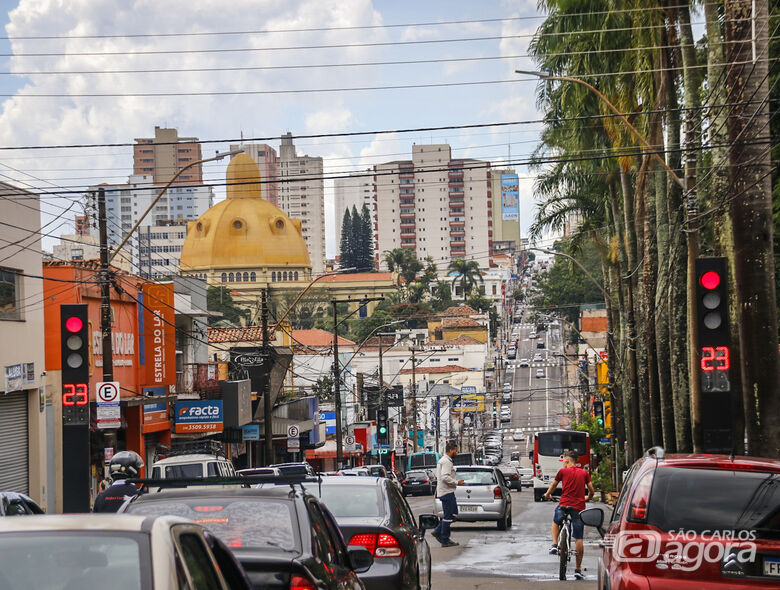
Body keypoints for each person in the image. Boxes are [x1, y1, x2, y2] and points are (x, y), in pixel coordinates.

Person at [543, 450, 595, 580]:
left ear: (567, 461)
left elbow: (553, 485)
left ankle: (555, 545)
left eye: (563, 462)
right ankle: (577, 569)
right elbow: (591, 489)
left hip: (564, 504)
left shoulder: (562, 472)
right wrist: (588, 497)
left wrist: (547, 495)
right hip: (578, 507)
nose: (563, 464)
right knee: (579, 538)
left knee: (555, 522)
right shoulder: (584, 473)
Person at [431, 441, 465, 547]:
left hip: (448, 491)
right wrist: (456, 482)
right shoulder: (446, 462)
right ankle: (445, 539)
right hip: (446, 492)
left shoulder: (446, 460)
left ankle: (437, 531)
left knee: (453, 513)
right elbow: (445, 477)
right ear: (451, 450)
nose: (457, 452)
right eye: (456, 450)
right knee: (448, 516)